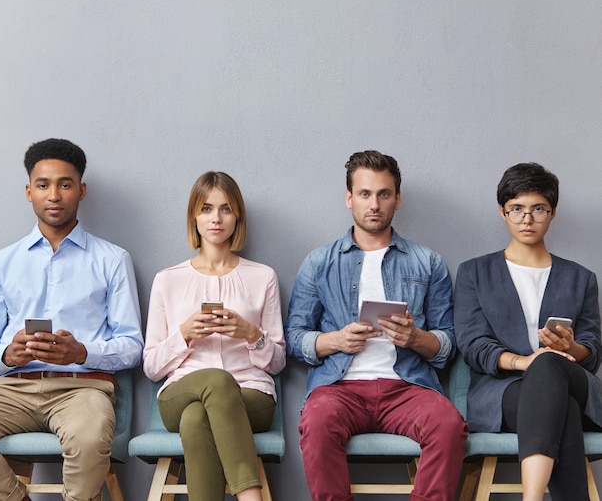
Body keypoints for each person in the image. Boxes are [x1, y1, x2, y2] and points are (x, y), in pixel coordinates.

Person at [286, 150, 467, 501]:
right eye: (365, 194)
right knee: (317, 423)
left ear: (397, 199)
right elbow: (294, 340)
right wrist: (336, 340)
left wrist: (415, 338)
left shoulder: (427, 262)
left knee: (449, 426)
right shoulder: (319, 262)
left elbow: (448, 344)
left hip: (407, 387)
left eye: (384, 194)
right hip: (340, 388)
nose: (374, 204)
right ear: (349, 198)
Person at [0, 138, 144, 501]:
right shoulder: (1, 262)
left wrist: (80, 352)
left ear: (81, 190)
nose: (54, 194)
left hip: (81, 390)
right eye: (43, 185)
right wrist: (8, 355)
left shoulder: (112, 259)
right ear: (29, 192)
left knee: (87, 440)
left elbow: (132, 346)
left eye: (65, 184)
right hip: (11, 390)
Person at [453, 162, 602, 501]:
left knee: (550, 365)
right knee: (557, 400)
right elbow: (473, 345)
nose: (527, 219)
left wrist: (572, 347)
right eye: (517, 209)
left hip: (573, 379)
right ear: (502, 212)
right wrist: (525, 362)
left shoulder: (581, 278)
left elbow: (592, 349)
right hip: (503, 393)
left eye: (538, 209)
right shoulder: (475, 273)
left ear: (552, 212)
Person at [143, 171, 286, 501]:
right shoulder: (168, 280)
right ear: (194, 215)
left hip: (252, 395)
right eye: (206, 209)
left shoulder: (262, 277)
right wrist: (184, 335)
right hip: (180, 393)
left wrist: (251, 334)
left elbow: (278, 363)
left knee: (197, 418)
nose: (216, 218)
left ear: (238, 216)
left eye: (226, 209)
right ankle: (251, 495)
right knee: (217, 383)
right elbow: (151, 367)